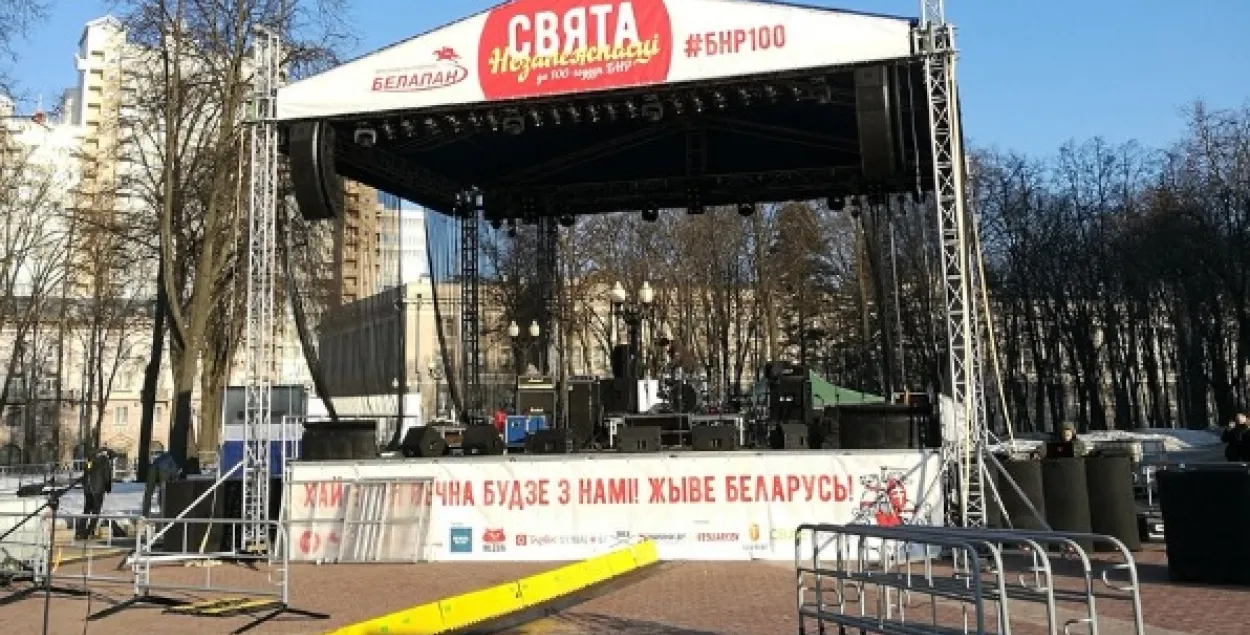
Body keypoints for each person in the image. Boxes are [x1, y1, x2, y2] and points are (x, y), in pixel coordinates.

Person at [76, 448, 114, 540]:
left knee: (87, 509)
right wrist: (108, 487)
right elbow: (107, 475)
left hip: (88, 489)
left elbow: (86, 472)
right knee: (96, 511)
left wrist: (85, 485)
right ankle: (89, 531)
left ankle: (80, 531)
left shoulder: (91, 459)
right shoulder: (105, 460)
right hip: (98, 489)